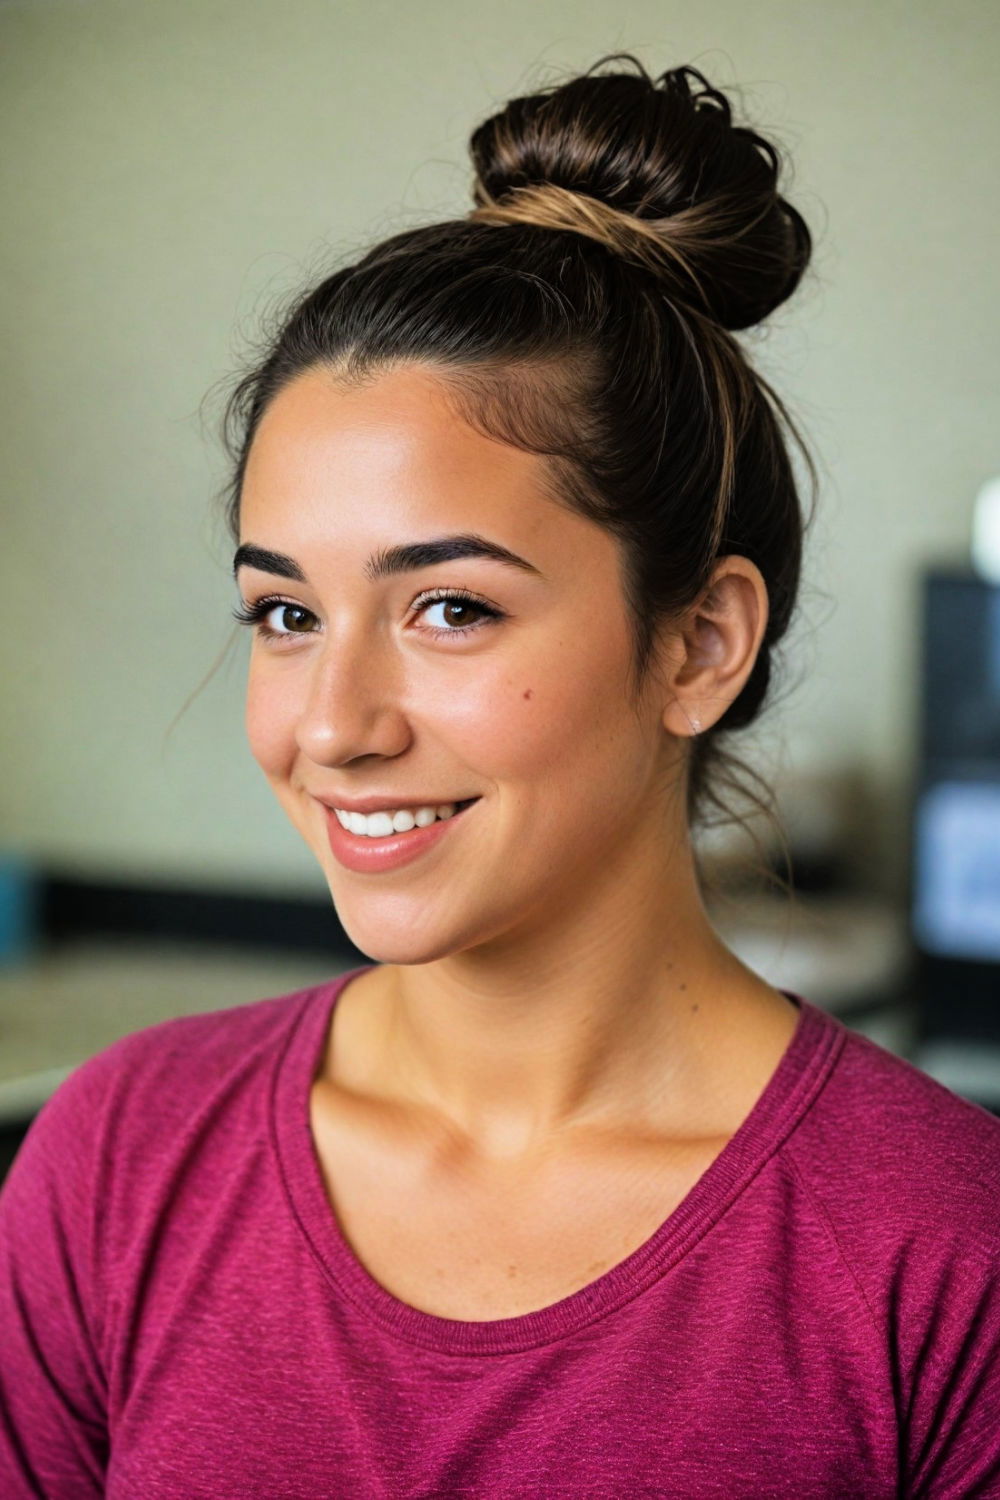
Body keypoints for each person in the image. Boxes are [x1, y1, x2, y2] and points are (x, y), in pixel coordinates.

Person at [2, 52, 999, 1499]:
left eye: (449, 607)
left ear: (699, 644)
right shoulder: (116, 1166)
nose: (334, 723)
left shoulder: (944, 1254)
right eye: (286, 614)